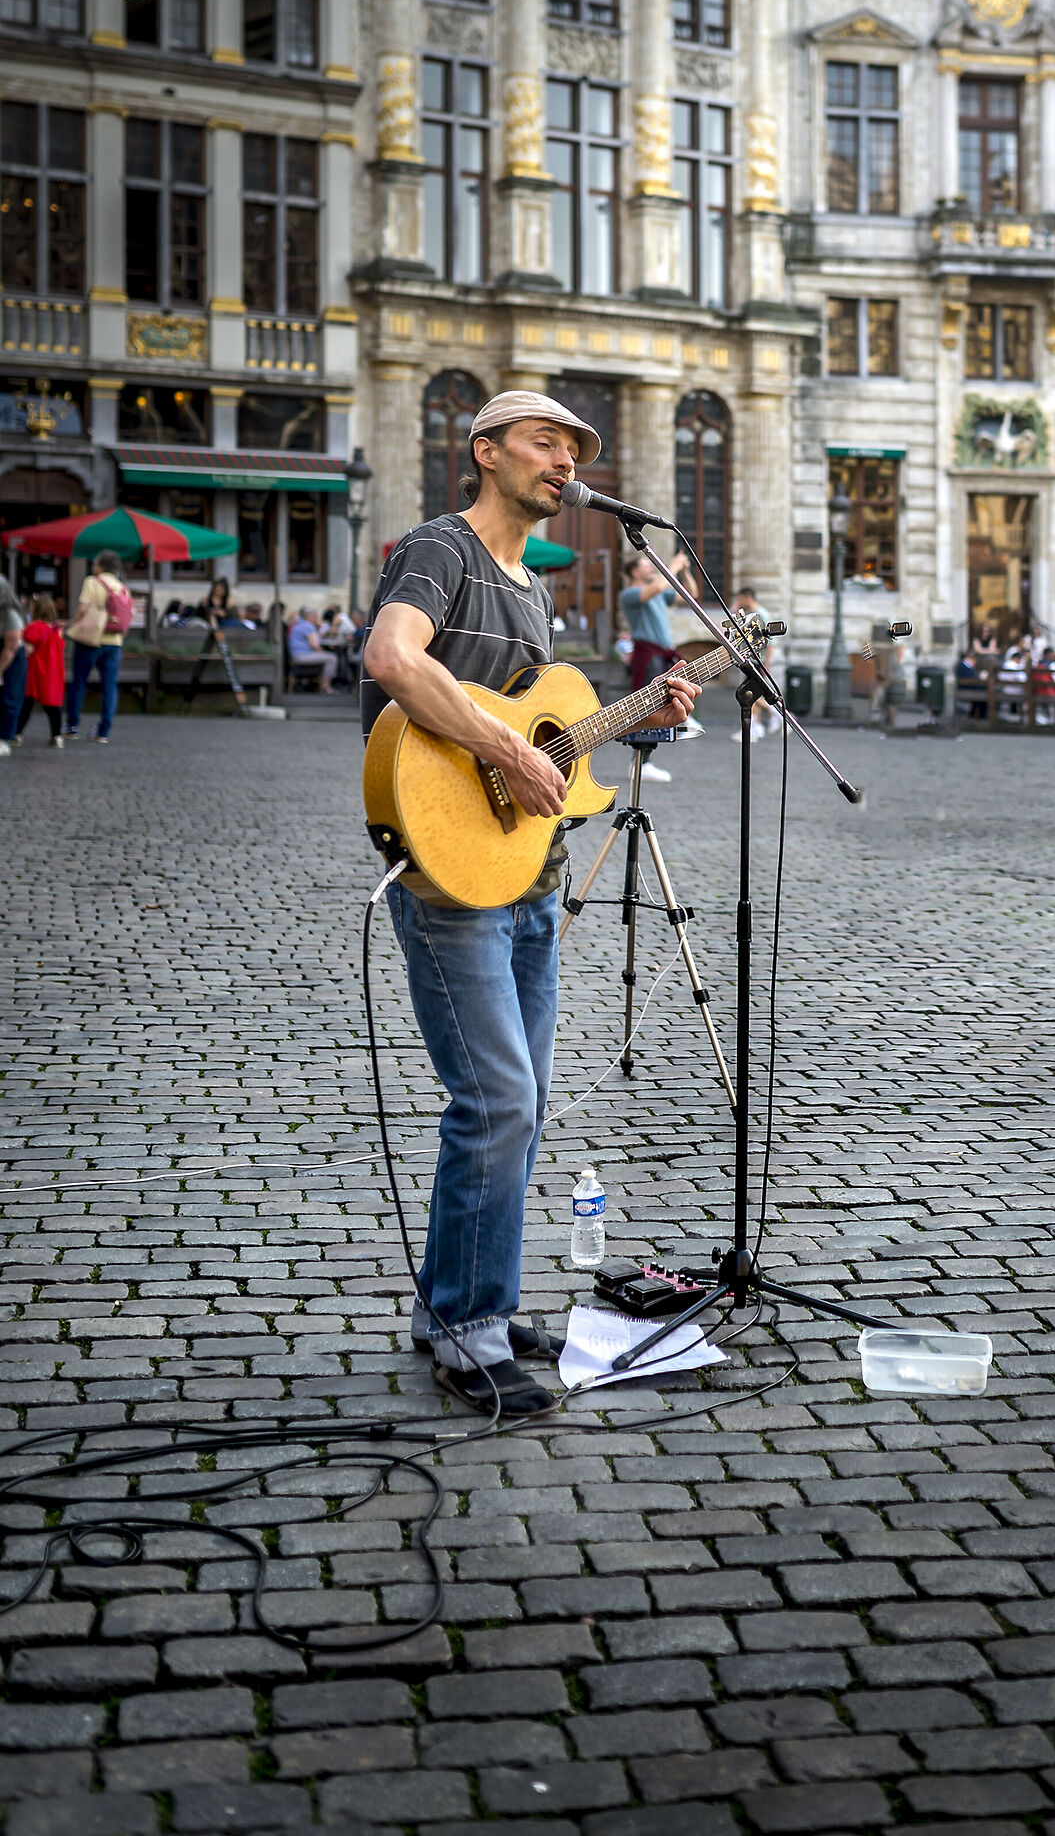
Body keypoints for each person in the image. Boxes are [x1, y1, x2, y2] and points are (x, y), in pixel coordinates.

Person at [360, 390, 694, 1416]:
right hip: (448, 875)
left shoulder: (532, 591)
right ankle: (470, 1333)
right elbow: (393, 659)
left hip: (529, 878)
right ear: (486, 452)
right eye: (544, 443)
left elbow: (552, 741)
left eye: (573, 452)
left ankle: (465, 1309)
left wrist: (646, 716)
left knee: (517, 1105)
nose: (563, 462)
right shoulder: (441, 550)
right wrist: (507, 747)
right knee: (497, 1100)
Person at [619, 547, 702, 777]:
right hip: (647, 654)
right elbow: (655, 588)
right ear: (635, 573)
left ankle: (645, 761)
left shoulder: (657, 593)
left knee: (667, 699)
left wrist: (685, 572)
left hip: (662, 654)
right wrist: (672, 566)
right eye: (646, 565)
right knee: (648, 707)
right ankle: (640, 762)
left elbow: (690, 595)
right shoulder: (630, 594)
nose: (651, 568)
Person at [64, 550, 131, 743]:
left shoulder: (92, 582)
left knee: (79, 682)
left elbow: (82, 609)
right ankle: (103, 731)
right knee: (109, 686)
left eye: (95, 563)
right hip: (114, 642)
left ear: (100, 566)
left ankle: (72, 726)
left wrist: (72, 624)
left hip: (89, 639)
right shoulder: (122, 587)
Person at [732, 584, 779, 740]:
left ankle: (776, 714)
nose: (739, 602)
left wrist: (767, 662)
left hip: (758, 661)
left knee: (749, 694)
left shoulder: (761, 615)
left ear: (748, 598)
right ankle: (756, 727)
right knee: (753, 694)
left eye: (740, 599)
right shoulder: (749, 615)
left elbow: (770, 642)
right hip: (750, 660)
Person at [18, 596, 66, 747]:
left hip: (36, 671)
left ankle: (16, 733)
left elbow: (27, 649)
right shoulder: (55, 629)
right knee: (52, 706)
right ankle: (57, 736)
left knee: (26, 704)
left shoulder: (34, 627)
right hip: (53, 672)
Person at [0, 571, 25, 759]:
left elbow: (11, 647)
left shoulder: (10, 614)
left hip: (11, 656)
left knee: (9, 697)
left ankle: (4, 739)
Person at [287, 608, 334, 692]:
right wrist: (323, 653)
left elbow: (315, 639)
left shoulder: (299, 624)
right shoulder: (307, 626)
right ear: (309, 617)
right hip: (302, 656)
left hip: (296, 656)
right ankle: (326, 686)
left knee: (327, 656)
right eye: (315, 617)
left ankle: (321, 685)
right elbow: (315, 645)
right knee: (331, 658)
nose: (317, 619)